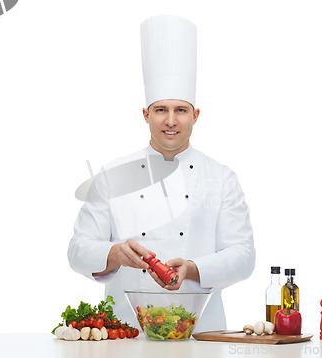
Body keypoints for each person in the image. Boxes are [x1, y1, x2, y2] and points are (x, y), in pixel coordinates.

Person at [68, 15, 255, 333]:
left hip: (200, 334)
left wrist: (194, 268)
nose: (170, 120)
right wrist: (114, 253)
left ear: (195, 115)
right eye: (160, 110)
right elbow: (77, 249)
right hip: (124, 332)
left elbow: (243, 255)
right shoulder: (113, 174)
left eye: (180, 110)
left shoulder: (221, 177)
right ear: (145, 114)